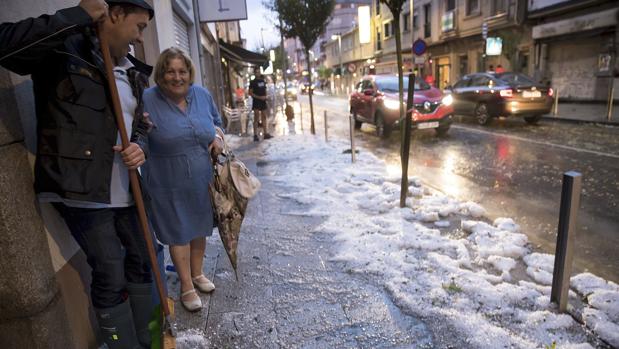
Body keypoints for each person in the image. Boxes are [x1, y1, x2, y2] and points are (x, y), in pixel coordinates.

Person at [0, 1, 156, 348]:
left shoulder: (133, 70)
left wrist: (140, 145)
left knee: (144, 260)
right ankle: (123, 344)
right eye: (140, 26)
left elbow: (141, 124)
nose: (141, 38)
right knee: (111, 271)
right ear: (114, 14)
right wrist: (77, 16)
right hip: (82, 191)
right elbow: (7, 46)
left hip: (127, 189)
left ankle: (151, 340)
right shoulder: (64, 49)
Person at [141, 48, 224, 312]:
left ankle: (197, 274)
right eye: (170, 71)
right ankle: (186, 286)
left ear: (190, 73)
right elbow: (138, 136)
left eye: (182, 71)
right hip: (167, 180)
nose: (177, 77)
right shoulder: (146, 99)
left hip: (201, 177)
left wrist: (218, 139)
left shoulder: (202, 94)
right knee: (179, 233)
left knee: (199, 229)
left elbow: (217, 122)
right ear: (161, 74)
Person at [249, 66, 273, 141]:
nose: (258, 73)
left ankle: (265, 133)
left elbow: (265, 90)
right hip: (256, 101)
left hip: (263, 101)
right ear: (254, 73)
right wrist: (259, 97)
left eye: (259, 72)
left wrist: (266, 97)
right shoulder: (252, 82)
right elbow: (250, 93)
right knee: (256, 118)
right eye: (256, 72)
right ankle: (255, 135)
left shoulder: (263, 81)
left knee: (264, 117)